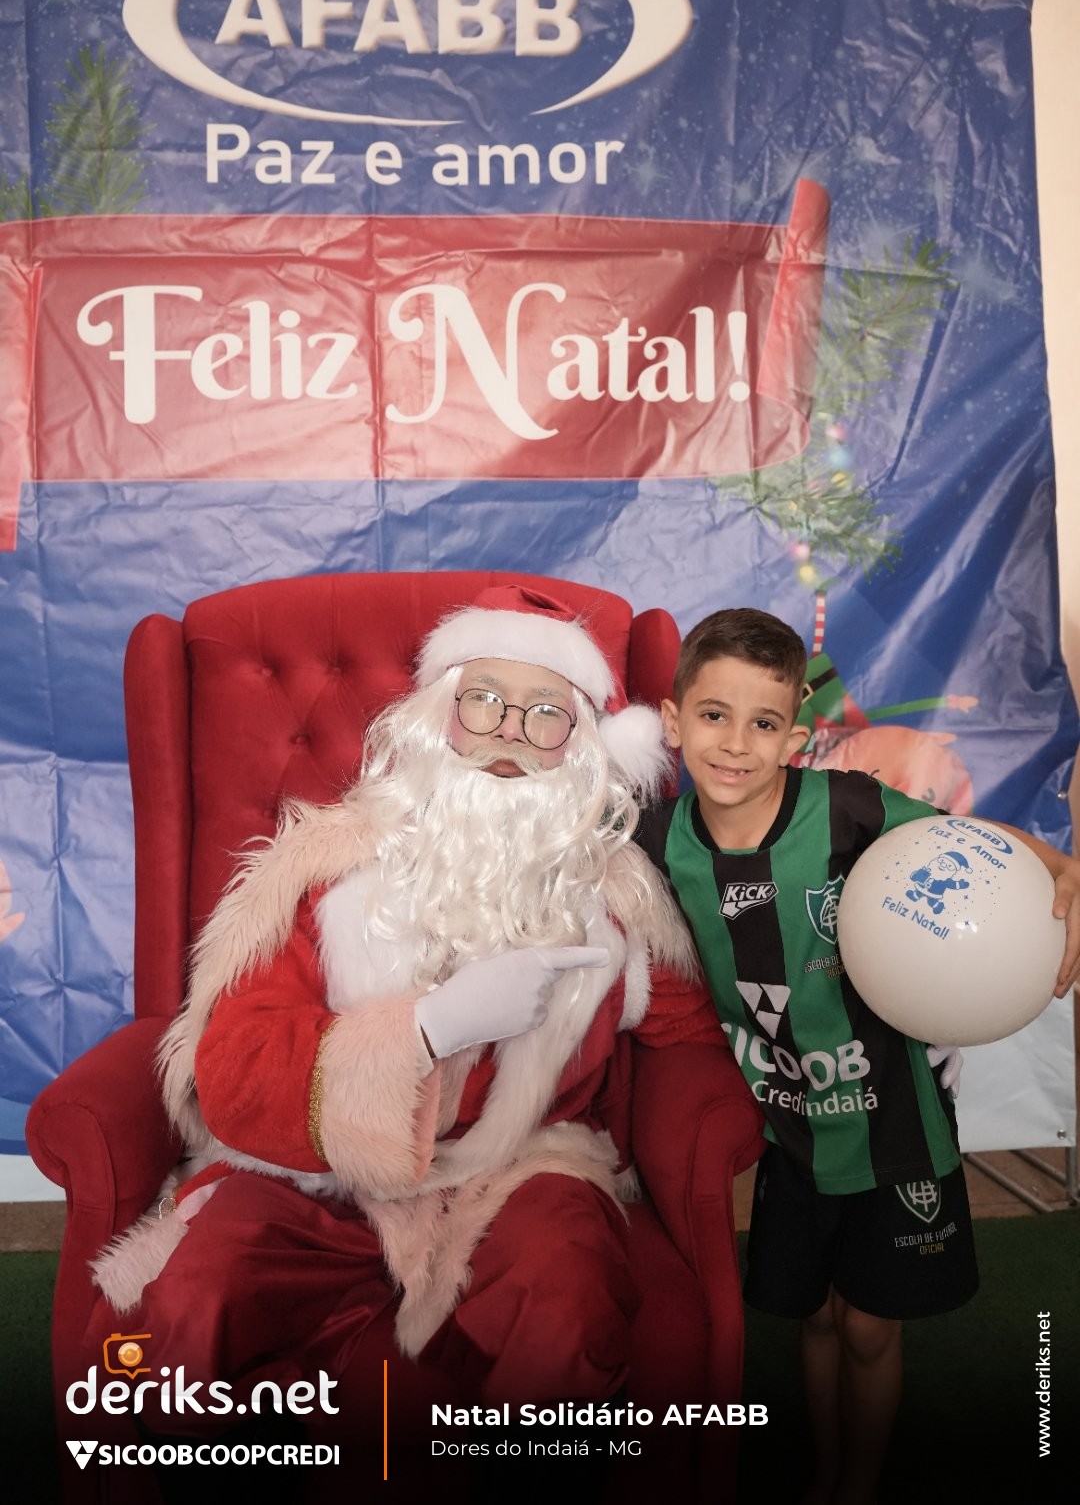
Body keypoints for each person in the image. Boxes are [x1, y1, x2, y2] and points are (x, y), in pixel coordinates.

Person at [88, 584, 720, 1468]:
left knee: (567, 1302)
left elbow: (696, 1037)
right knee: (192, 1309)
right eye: (485, 701)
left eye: (546, 715)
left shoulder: (619, 901)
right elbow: (234, 1066)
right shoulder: (323, 867)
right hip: (317, 1179)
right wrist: (429, 1027)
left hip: (515, 1172)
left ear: (581, 746)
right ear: (438, 717)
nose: (509, 734)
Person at [635, 607, 1080, 1505]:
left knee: (871, 1328)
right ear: (673, 722)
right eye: (714, 715)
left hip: (895, 1125)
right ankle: (826, 1473)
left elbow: (977, 846)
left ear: (795, 739)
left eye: (763, 723)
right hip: (792, 1130)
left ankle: (859, 1486)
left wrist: (1063, 867)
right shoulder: (653, 840)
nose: (736, 744)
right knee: (816, 1319)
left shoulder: (849, 808)